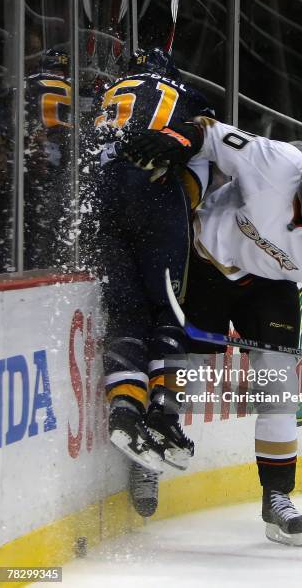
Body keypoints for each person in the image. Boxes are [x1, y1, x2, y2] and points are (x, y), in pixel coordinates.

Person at [117, 117, 302, 545]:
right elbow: (210, 132)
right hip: (206, 264)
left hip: (269, 288)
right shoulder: (275, 162)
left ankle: (277, 497)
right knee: (187, 372)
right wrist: (177, 138)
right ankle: (149, 453)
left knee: (278, 388)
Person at [87, 48, 214, 515]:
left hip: (99, 197)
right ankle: (163, 415)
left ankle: (124, 408)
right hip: (152, 190)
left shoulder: (108, 94)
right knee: (169, 313)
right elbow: (205, 136)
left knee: (125, 312)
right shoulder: (185, 92)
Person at [24, 48, 72, 269]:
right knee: (50, 225)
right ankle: (45, 265)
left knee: (24, 222)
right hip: (56, 161)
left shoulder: (26, 83)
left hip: (27, 158)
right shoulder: (74, 87)